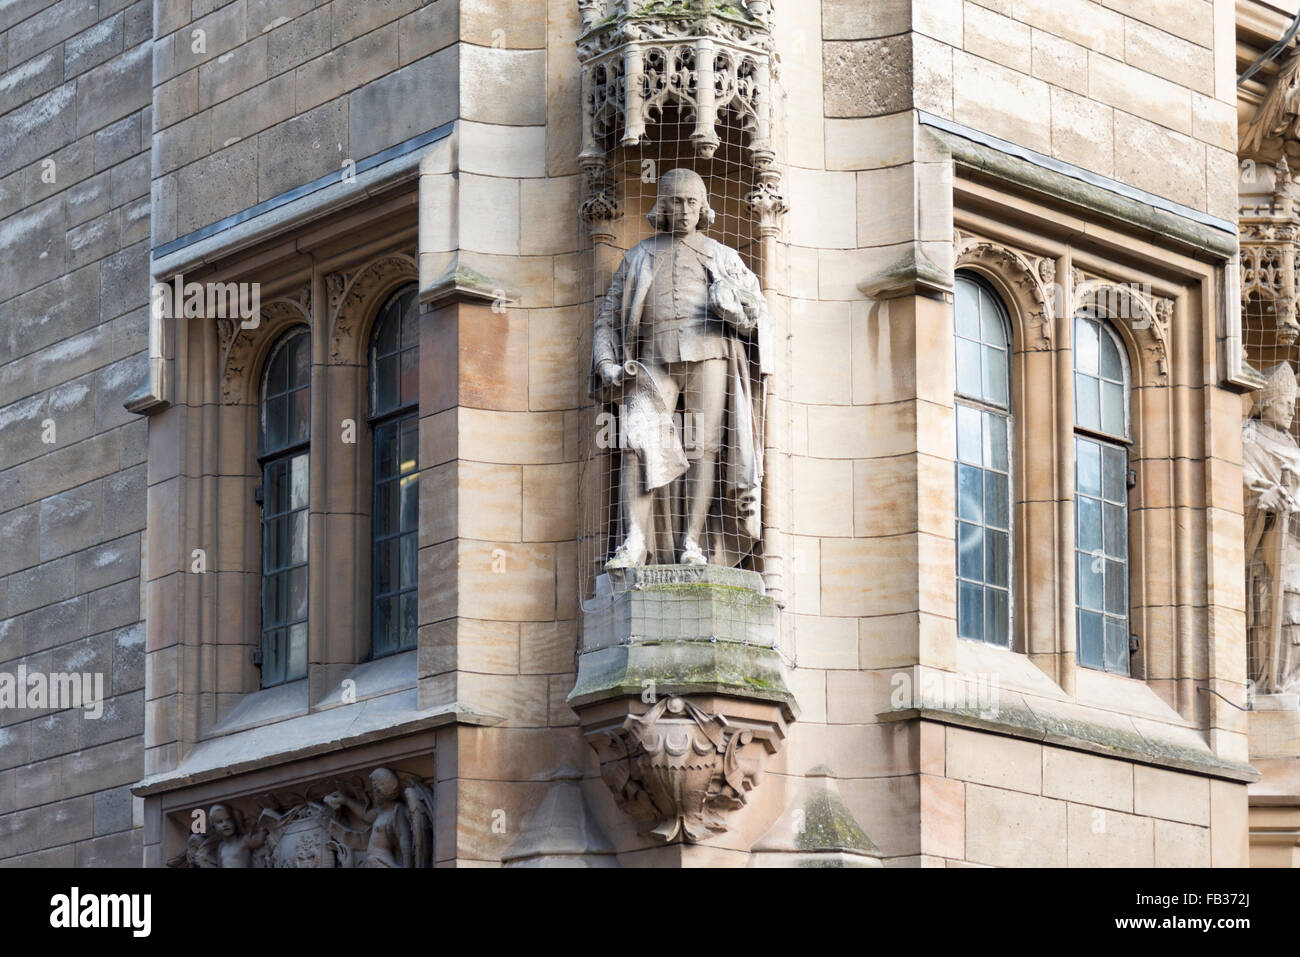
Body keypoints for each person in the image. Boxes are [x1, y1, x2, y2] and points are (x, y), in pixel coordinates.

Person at [591, 168, 768, 568]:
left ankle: (692, 543)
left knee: (703, 448)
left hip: (710, 354)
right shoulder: (638, 256)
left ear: (703, 207)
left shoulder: (722, 256)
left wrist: (734, 308)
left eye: (692, 201)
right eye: (675, 201)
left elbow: (757, 315)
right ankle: (634, 541)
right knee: (635, 442)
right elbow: (606, 319)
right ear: (662, 206)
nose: (685, 210)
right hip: (651, 359)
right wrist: (606, 364)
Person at [1243, 361, 1300, 695]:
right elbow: (1237, 477)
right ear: (1265, 403)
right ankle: (1272, 679)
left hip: (1296, 535)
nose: (1291, 411)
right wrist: (1262, 494)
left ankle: (1291, 682)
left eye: (1293, 404)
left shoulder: (1292, 447)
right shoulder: (1248, 436)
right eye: (1285, 403)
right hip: (1272, 540)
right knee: (1280, 608)